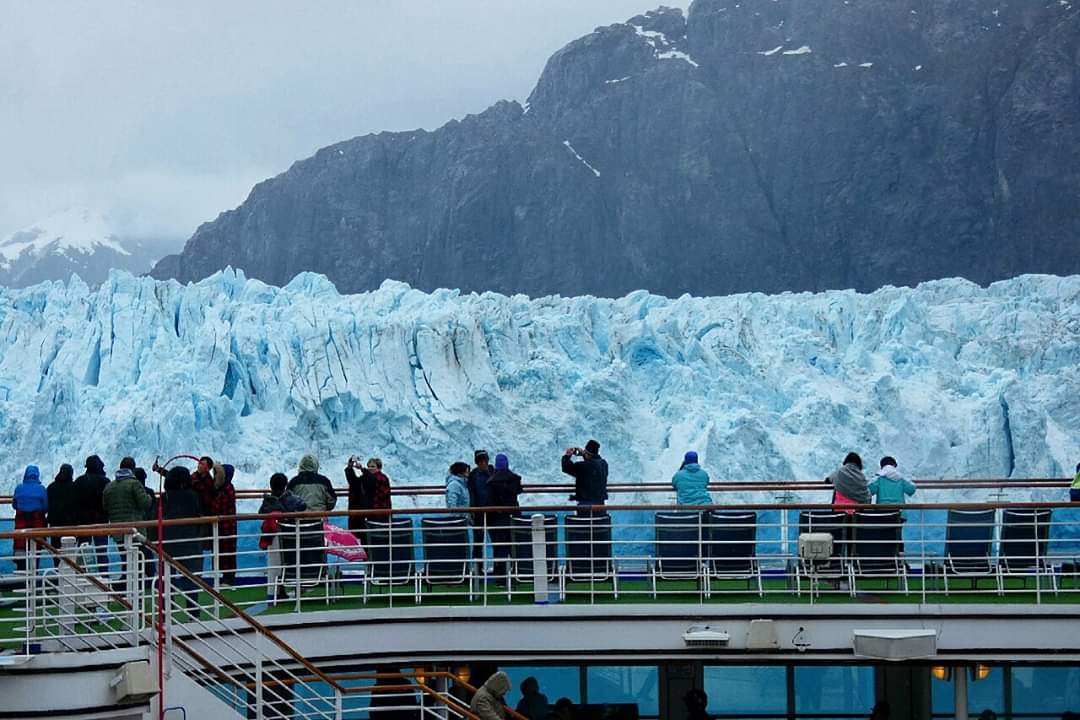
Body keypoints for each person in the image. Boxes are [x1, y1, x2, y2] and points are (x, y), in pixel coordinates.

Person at [150, 466, 204, 616]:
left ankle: (166, 612)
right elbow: (200, 516)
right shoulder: (193, 496)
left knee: (166, 578)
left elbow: (155, 520)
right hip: (191, 543)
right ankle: (193, 613)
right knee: (190, 578)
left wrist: (154, 540)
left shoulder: (164, 498)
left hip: (167, 544)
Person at [102, 457, 152, 589]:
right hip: (135, 530)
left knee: (126, 560)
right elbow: (144, 503)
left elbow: (105, 506)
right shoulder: (134, 484)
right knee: (141, 558)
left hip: (118, 531)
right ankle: (140, 587)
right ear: (133, 468)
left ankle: (126, 587)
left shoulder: (110, 486)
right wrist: (149, 497)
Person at [259, 472, 307, 602]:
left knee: (274, 565)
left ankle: (274, 591)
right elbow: (303, 505)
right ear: (286, 485)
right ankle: (298, 586)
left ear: (271, 486)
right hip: (291, 537)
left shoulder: (267, 502)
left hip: (273, 538)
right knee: (295, 560)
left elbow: (260, 514)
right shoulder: (291, 499)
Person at [486, 454, 522, 584]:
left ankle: (501, 577)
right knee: (515, 546)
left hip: (497, 518)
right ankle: (517, 573)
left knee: (500, 548)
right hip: (513, 517)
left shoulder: (491, 482)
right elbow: (518, 491)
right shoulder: (515, 478)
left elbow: (489, 500)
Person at [73, 454, 110, 571]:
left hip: (83, 521)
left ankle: (83, 577)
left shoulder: (79, 481)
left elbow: (74, 501)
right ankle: (104, 577)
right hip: (101, 520)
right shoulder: (105, 481)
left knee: (83, 551)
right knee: (102, 551)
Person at [12, 465, 48, 572]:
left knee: (20, 551)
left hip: (21, 526)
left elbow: (14, 505)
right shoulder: (41, 489)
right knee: (35, 553)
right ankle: (34, 575)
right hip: (37, 526)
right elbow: (45, 507)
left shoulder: (19, 488)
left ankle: (20, 577)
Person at [207, 463, 238, 586]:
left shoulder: (225, 490)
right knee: (225, 551)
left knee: (226, 552)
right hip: (226, 526)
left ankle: (228, 578)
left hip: (225, 527)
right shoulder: (227, 487)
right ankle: (226, 577)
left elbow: (217, 507)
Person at [561, 439, 608, 510]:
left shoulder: (583, 466)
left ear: (587, 453)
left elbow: (566, 467)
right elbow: (594, 463)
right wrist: (584, 454)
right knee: (598, 520)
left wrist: (567, 456)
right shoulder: (604, 464)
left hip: (584, 506)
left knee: (583, 520)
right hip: (600, 506)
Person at [46, 463, 77, 549]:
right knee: (70, 549)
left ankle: (57, 562)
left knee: (56, 548)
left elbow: (47, 505)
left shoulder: (51, 487)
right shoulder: (75, 487)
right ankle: (69, 562)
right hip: (71, 523)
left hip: (55, 523)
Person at [468, 450, 493, 559]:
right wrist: (472, 511)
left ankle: (499, 567)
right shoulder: (473, 475)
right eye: (480, 461)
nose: (482, 463)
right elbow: (471, 494)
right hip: (478, 513)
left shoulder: (493, 472)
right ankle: (478, 568)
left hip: (493, 512)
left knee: (496, 540)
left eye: (484, 461)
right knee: (478, 542)